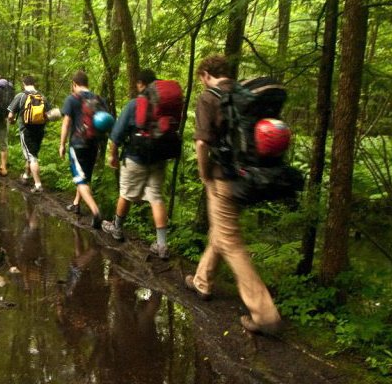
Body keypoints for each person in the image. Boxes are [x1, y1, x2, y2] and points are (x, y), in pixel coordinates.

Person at [185, 54, 282, 335]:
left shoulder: (209, 97)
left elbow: (202, 143)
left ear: (205, 74)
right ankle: (202, 280)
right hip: (250, 177)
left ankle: (265, 315)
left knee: (231, 243)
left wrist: (204, 174)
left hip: (223, 179)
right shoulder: (245, 95)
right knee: (224, 231)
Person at [101, 69, 170, 259]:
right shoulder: (165, 106)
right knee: (156, 197)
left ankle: (116, 228)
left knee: (126, 193)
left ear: (141, 83)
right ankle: (162, 245)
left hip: (135, 157)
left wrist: (113, 156)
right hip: (159, 158)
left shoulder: (135, 105)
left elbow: (116, 135)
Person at [59, 71, 104, 229]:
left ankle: (95, 211)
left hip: (78, 144)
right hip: (93, 144)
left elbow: (66, 123)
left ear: (74, 84)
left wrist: (62, 144)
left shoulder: (72, 98)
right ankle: (76, 204)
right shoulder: (97, 98)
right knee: (85, 177)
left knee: (79, 179)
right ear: (87, 83)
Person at [7, 75, 52, 193]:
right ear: (34, 83)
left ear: (24, 84)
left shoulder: (20, 96)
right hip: (40, 130)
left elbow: (10, 115)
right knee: (32, 153)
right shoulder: (42, 96)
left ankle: (38, 185)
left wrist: (11, 122)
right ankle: (26, 176)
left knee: (32, 157)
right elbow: (49, 115)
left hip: (26, 130)